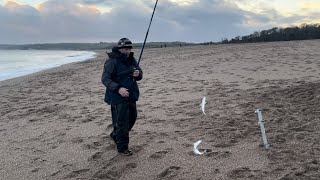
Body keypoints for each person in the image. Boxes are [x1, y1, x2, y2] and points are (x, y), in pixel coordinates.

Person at [101, 38, 143, 156]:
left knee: (132, 118)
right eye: (125, 49)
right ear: (120, 49)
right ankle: (122, 147)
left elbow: (139, 73)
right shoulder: (111, 61)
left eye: (129, 49)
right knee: (122, 122)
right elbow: (105, 79)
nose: (128, 51)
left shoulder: (131, 59)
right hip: (117, 97)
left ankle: (116, 135)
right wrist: (118, 88)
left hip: (131, 95)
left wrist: (138, 74)